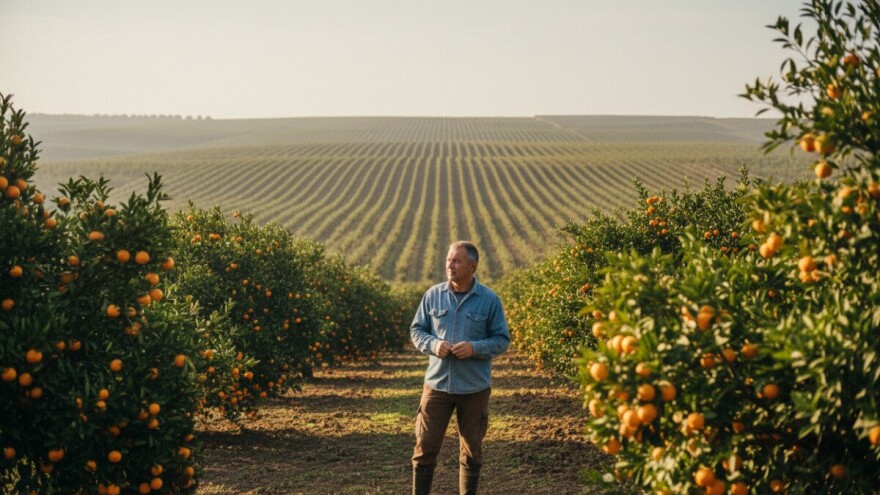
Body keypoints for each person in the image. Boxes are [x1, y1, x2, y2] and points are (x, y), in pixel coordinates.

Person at [410, 241, 510, 495]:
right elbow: (417, 330)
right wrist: (434, 344)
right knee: (424, 450)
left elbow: (501, 339)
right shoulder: (433, 295)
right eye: (448, 260)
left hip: (474, 388)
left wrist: (474, 348)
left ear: (472, 265)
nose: (449, 265)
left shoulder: (489, 300)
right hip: (437, 386)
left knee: (472, 451)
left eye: (456, 261)